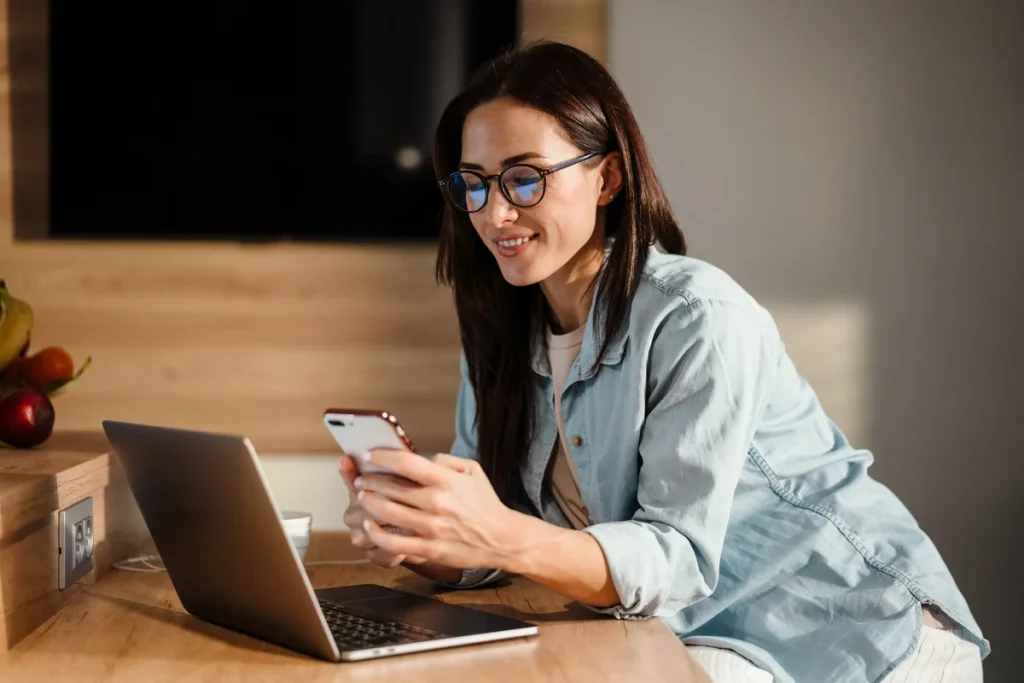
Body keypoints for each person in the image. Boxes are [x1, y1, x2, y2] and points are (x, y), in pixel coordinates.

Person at [337, 41, 988, 683]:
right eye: (473, 184)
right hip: (703, 627)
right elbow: (495, 540)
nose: (495, 212)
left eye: (525, 177)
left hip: (861, 635)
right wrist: (426, 536)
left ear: (607, 178)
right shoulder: (503, 333)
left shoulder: (698, 317)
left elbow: (673, 559)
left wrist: (498, 533)